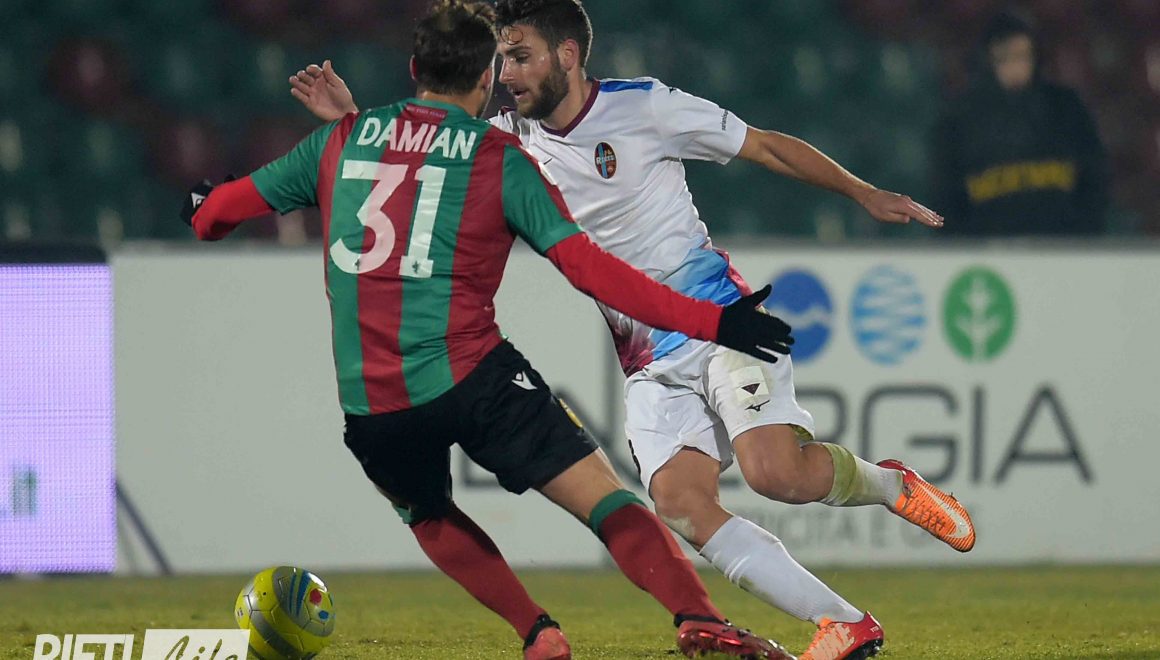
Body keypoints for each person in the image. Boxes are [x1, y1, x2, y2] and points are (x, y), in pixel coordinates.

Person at [291, 1, 976, 658]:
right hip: (647, 358)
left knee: (777, 475)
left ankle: (891, 486)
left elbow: (765, 147)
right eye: (501, 60)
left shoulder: (646, 107)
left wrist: (864, 192)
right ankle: (845, 623)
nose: (507, 75)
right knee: (679, 506)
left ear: (567, 55)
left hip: (718, 321)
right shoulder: (506, 141)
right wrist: (351, 122)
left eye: (521, 57)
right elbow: (418, 159)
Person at [181, 2, 798, 659]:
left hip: (375, 404)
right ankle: (697, 616)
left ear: (414, 68)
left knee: (426, 512)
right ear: (486, 78)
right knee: (604, 500)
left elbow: (217, 215)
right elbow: (590, 270)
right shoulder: (499, 157)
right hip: (477, 379)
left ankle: (537, 631)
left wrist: (201, 202)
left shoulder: (341, 141)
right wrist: (713, 319)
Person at [933, 10, 1109, 236]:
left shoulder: (1067, 108)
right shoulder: (959, 121)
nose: (1015, 66)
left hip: (1062, 245)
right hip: (988, 247)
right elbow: (947, 200)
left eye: (1022, 56)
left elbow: (1094, 181)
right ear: (988, 59)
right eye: (1005, 57)